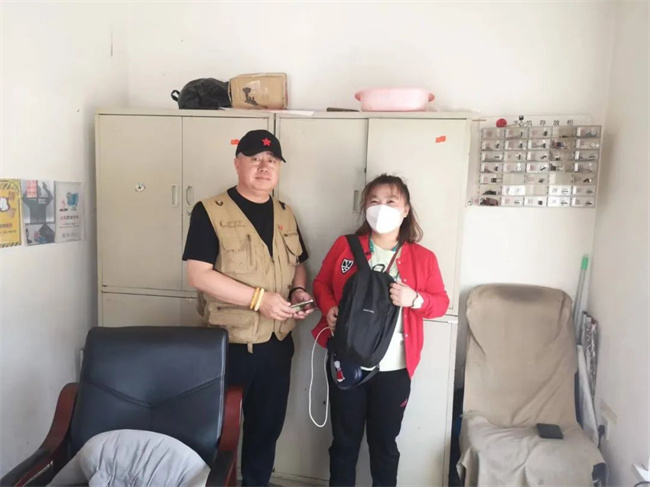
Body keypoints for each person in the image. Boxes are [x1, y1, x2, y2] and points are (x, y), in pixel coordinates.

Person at [183, 129, 314, 487]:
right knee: (215, 433)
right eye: (254, 159)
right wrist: (259, 300)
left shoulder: (286, 213)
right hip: (230, 345)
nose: (263, 167)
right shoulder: (210, 211)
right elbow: (198, 274)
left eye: (271, 160)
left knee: (265, 431)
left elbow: (298, 263)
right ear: (237, 164)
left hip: (277, 345)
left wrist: (298, 291)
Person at [311, 174, 449, 487]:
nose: (381, 207)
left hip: (394, 370)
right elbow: (320, 284)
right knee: (343, 443)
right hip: (347, 361)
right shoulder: (346, 246)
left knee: (384, 446)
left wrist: (415, 299)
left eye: (390, 201)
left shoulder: (423, 258)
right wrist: (329, 308)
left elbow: (440, 303)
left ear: (405, 210)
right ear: (364, 207)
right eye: (374, 201)